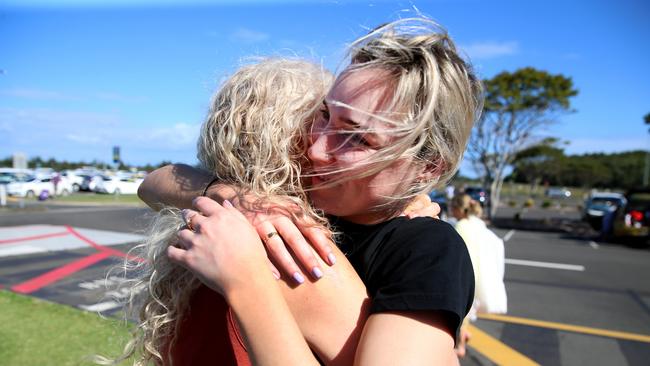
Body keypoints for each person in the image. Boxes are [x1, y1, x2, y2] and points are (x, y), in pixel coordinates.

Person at [136, 17, 482, 365]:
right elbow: (156, 181)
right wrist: (236, 196)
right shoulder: (299, 205)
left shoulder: (425, 250)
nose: (316, 149)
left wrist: (247, 281)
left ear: (429, 167)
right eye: (324, 114)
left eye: (357, 137)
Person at [450, 193, 508, 357]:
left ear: (459, 209)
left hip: (466, 273)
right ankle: (464, 335)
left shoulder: (461, 226)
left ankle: (459, 346)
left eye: (453, 208)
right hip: (479, 273)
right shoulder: (477, 224)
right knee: (468, 309)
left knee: (462, 312)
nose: (452, 211)